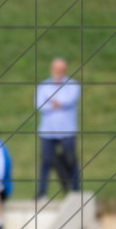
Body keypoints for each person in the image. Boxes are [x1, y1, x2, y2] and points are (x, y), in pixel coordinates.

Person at [35, 57, 81, 198]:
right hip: (47, 131)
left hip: (67, 131)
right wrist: (55, 103)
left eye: (61, 69)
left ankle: (75, 191)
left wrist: (53, 102)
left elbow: (68, 100)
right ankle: (42, 193)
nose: (59, 72)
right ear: (52, 69)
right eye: (56, 69)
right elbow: (40, 105)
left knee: (70, 161)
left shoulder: (73, 85)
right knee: (45, 162)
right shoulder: (43, 86)